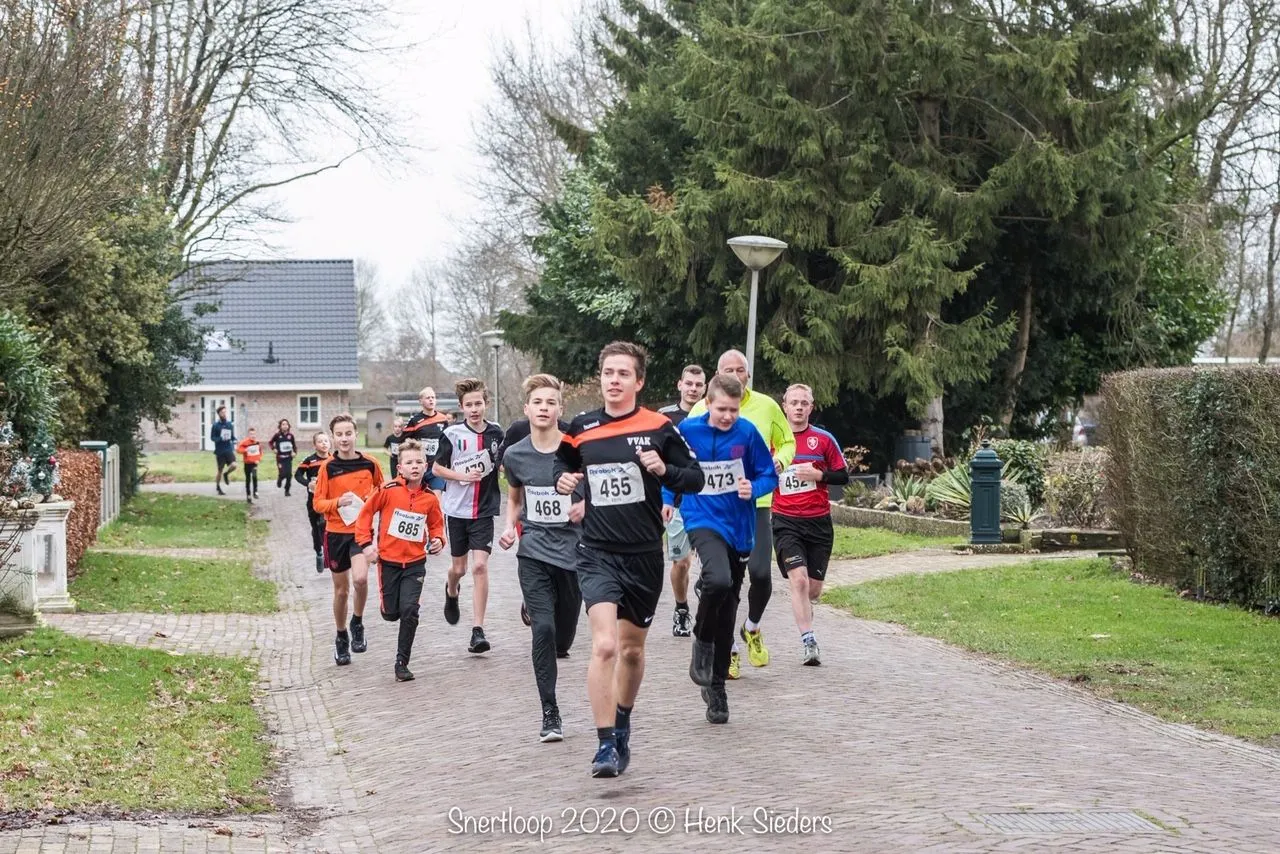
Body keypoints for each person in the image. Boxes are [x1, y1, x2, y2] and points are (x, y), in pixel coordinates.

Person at [553, 341, 704, 778]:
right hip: (596, 552)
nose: (614, 381)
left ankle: (621, 724)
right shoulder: (580, 427)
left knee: (633, 651)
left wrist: (663, 471)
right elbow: (566, 469)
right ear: (600, 378)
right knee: (604, 645)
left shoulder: (659, 427)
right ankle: (603, 746)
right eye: (608, 373)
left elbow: (694, 478)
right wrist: (569, 486)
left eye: (623, 374)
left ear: (638, 381)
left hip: (642, 555)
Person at [665, 374, 777, 724]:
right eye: (721, 409)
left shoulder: (747, 433)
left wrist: (753, 487)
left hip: (739, 525)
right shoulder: (689, 431)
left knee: (729, 601)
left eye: (733, 409)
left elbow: (768, 474)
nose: (727, 416)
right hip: (701, 518)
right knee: (716, 579)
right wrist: (668, 500)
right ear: (708, 404)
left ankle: (716, 687)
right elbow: (672, 470)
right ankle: (701, 640)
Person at [687, 349, 795, 678]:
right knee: (723, 581)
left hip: (752, 508)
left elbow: (787, 442)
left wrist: (777, 464)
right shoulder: (695, 416)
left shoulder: (763, 409)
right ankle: (724, 650)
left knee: (759, 575)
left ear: (748, 374)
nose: (735, 374)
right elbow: (681, 463)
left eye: (741, 369)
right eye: (728, 369)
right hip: (707, 512)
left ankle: (751, 627)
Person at [498, 374, 584, 742]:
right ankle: (550, 712)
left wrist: (583, 507)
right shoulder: (515, 454)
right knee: (544, 631)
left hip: (574, 554)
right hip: (532, 550)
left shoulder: (578, 451)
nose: (544, 408)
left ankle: (538, 608)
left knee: (563, 638)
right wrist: (508, 527)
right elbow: (515, 498)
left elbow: (594, 494)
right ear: (527, 409)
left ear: (560, 409)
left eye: (551, 402)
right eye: (538, 403)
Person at [355, 439, 446, 682]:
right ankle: (388, 610)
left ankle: (401, 662)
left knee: (410, 610)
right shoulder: (387, 490)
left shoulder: (429, 499)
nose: (414, 466)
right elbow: (364, 516)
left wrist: (438, 540)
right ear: (400, 468)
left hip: (416, 563)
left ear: (426, 466)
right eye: (409, 462)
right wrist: (366, 544)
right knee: (391, 613)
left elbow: (437, 525)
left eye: (419, 462)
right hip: (389, 563)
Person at [773, 384, 849, 665]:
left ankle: (805, 618)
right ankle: (809, 641)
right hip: (785, 520)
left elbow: (843, 476)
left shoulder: (824, 440)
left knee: (813, 589)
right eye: (794, 402)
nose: (799, 407)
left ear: (811, 407)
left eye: (804, 403)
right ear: (784, 405)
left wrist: (819, 475)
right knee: (799, 580)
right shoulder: (774, 439)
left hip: (818, 522)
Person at [431, 378, 505, 654]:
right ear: (462, 407)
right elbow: (437, 469)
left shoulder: (497, 433)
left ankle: (478, 630)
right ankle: (451, 590)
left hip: (484, 509)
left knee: (479, 567)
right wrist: (462, 476)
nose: (474, 409)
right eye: (469, 405)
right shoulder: (451, 434)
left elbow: (501, 463)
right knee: (459, 569)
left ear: (486, 404)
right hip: (457, 510)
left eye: (479, 404)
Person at [312, 413, 385, 665]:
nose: (344, 438)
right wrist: (337, 502)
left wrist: (371, 502)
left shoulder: (371, 464)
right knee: (341, 590)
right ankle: (341, 636)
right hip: (335, 534)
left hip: (360, 533)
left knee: (361, 579)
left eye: (348, 433)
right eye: (339, 434)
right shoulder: (327, 468)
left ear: (356, 434)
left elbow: (382, 493)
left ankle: (358, 621)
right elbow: (318, 503)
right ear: (333, 438)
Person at [657, 364, 706, 637]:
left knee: (713, 559)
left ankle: (707, 583)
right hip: (676, 500)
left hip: (709, 500)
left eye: (698, 385)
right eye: (689, 384)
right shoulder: (665, 418)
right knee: (682, 562)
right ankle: (681, 608)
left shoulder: (714, 414)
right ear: (680, 385)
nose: (693, 389)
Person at [294, 431, 332, 572]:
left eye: (326, 441)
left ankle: (328, 552)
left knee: (324, 524)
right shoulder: (309, 460)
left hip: (328, 500)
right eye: (320, 441)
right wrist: (308, 483)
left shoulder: (333, 459)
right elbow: (297, 474)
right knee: (316, 527)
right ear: (315, 445)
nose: (324, 444)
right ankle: (319, 551)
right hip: (313, 500)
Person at [404, 387, 451, 493]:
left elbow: (448, 442)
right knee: (417, 497)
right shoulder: (414, 421)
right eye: (428, 398)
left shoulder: (443, 419)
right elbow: (405, 443)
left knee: (437, 495)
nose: (431, 400)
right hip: (419, 466)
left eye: (433, 397)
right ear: (420, 401)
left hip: (436, 467)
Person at [210, 405, 236, 495]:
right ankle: (218, 487)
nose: (224, 414)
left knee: (234, 465)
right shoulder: (215, 425)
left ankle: (226, 474)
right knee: (219, 470)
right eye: (222, 412)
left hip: (228, 449)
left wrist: (235, 440)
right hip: (220, 450)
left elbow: (232, 436)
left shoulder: (229, 424)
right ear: (219, 414)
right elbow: (212, 438)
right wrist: (220, 438)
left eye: (225, 412)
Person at [269, 419, 297, 496]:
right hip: (280, 458)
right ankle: (280, 479)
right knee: (283, 473)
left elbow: (294, 446)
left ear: (288, 426)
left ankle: (287, 491)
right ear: (280, 426)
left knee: (289, 475)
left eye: (286, 424)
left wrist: (294, 452)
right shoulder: (277, 435)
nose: (285, 426)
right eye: (283, 424)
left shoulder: (291, 436)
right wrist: (273, 448)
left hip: (288, 458)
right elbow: (270, 442)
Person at [235, 427, 263, 502]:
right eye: (251, 434)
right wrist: (245, 450)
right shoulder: (245, 442)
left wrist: (258, 459)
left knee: (254, 476)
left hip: (254, 463)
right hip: (247, 464)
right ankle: (248, 495)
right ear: (248, 435)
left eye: (254, 434)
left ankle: (255, 492)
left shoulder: (257, 442)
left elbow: (260, 452)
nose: (252, 435)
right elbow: (238, 450)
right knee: (248, 479)